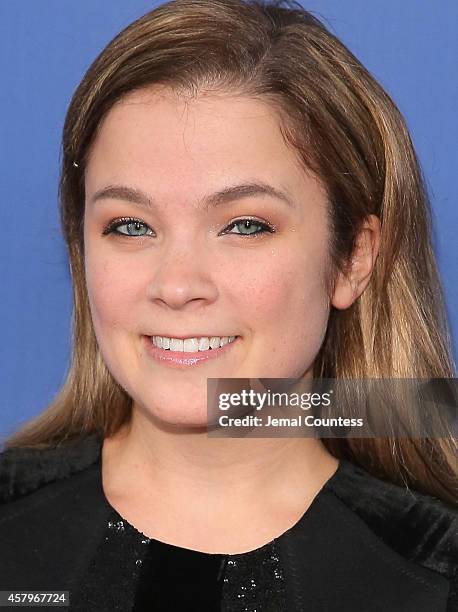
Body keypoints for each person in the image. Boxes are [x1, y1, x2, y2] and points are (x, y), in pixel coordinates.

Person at [0, 0, 456, 610]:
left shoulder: (434, 568)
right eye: (131, 227)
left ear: (354, 259)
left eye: (244, 225)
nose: (178, 283)